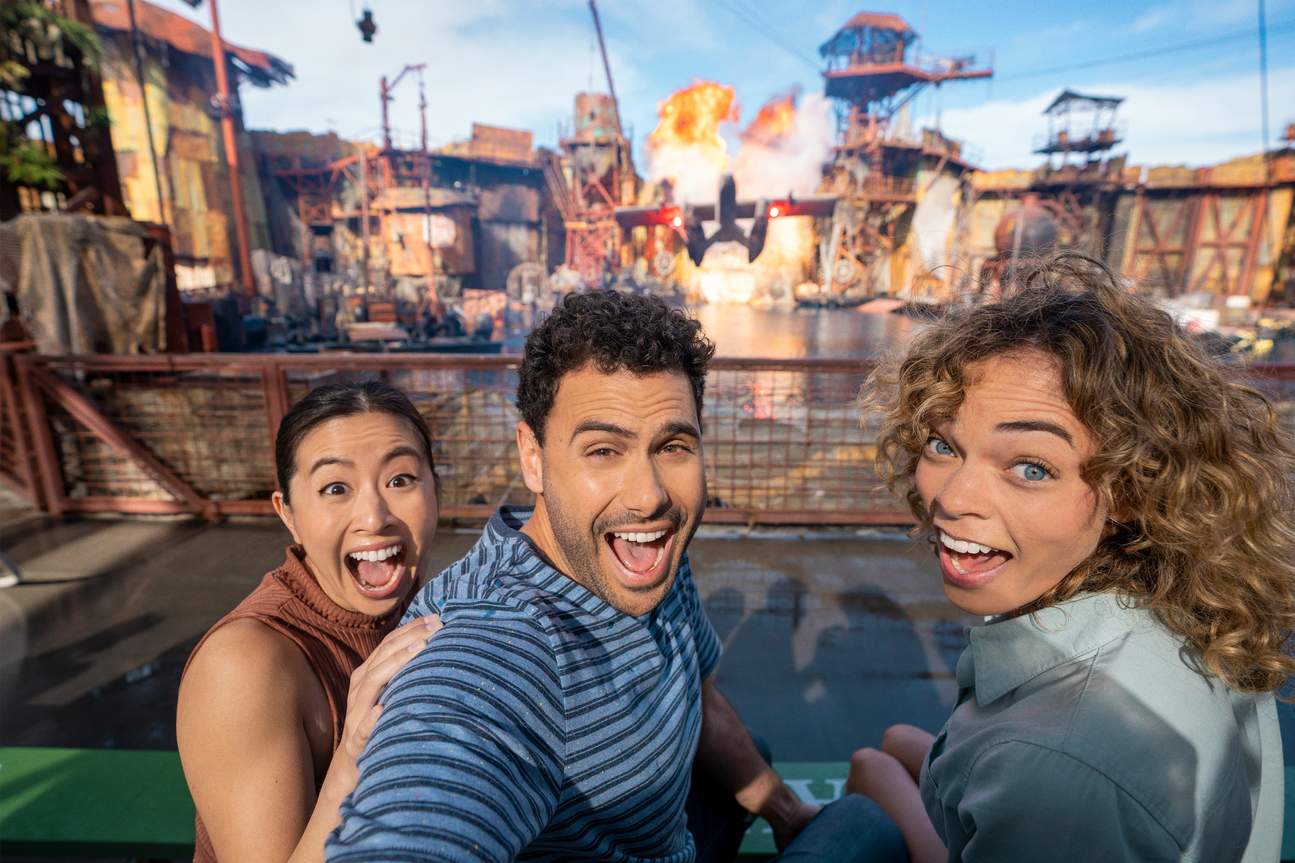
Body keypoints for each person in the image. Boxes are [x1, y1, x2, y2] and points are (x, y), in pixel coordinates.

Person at [326, 291, 906, 861]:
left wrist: (786, 814)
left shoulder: (642, 557)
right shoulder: (497, 644)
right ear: (533, 457)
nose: (650, 496)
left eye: (673, 445)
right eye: (603, 450)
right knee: (863, 822)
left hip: (662, 830)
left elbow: (696, 696)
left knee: (756, 752)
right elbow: (426, 802)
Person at [848, 254, 1291, 861]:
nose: (952, 499)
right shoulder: (1190, 609)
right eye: (942, 444)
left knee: (866, 782)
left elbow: (1054, 779)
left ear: (1133, 490)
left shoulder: (1057, 767)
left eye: (1031, 468)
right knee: (894, 744)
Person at [177, 382, 443, 862]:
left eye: (400, 479)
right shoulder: (244, 665)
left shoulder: (430, 606)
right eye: (335, 488)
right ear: (289, 514)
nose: (374, 516)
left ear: (436, 489)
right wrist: (352, 755)